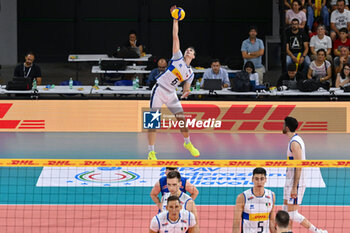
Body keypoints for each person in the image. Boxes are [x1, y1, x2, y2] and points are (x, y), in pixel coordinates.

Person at [147, 5, 199, 160]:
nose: (188, 51)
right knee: (152, 122)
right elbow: (175, 36)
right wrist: (175, 20)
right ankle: (151, 152)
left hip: (171, 94)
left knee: (182, 119)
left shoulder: (190, 73)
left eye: (191, 51)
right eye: (187, 49)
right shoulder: (177, 57)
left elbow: (186, 88)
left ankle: (187, 143)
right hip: (159, 90)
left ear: (194, 56)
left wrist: (186, 92)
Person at [282, 116, 328, 233]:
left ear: (287, 127)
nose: (282, 127)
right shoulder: (293, 140)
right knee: (285, 210)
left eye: (283, 125)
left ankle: (317, 231)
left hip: (296, 182)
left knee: (292, 213)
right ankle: (288, 231)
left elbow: (299, 165)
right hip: (290, 180)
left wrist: (294, 187)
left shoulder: (295, 143)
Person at [233, 167, 276, 233]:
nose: (259, 182)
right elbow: (236, 222)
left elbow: (272, 220)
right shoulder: (242, 197)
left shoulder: (271, 196)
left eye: (262, 179)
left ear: (265, 180)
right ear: (252, 179)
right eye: (256, 179)